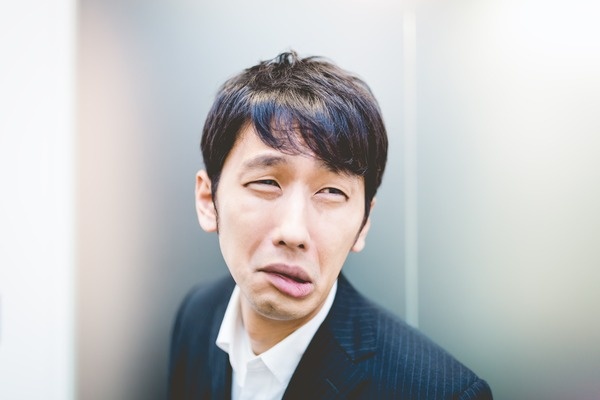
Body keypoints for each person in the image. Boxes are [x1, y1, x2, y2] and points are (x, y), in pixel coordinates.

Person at [168, 51, 493, 399]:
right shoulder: (197, 315)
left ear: (363, 224)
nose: (293, 233)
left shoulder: (441, 393)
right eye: (266, 183)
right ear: (208, 200)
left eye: (332, 192)